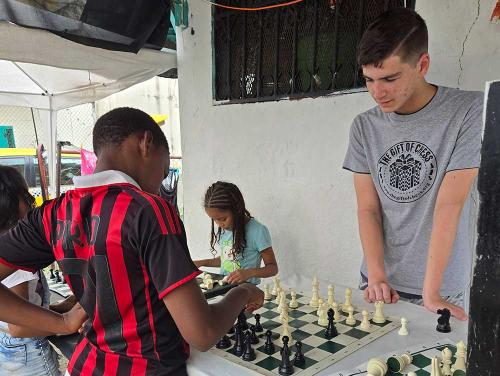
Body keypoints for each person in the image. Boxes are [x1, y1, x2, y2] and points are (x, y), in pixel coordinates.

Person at [0, 107, 263, 376]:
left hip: (86, 367)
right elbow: (203, 333)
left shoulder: (52, 214)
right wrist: (242, 293)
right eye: (162, 172)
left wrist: (63, 322)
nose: (159, 186)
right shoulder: (150, 210)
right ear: (146, 143)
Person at [343, 8, 482, 320]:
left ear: (422, 65)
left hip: (439, 287)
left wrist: (431, 293)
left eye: (390, 78)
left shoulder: (468, 110)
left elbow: (450, 204)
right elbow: (368, 207)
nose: (377, 92)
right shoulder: (364, 126)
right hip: (379, 284)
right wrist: (376, 277)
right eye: (369, 80)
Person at [0, 165, 84, 375]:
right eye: (25, 193)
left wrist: (62, 307)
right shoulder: (16, 256)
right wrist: (66, 323)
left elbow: (22, 309)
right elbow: (19, 327)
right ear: (13, 201)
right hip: (29, 360)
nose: (31, 201)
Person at [194, 182, 278, 285]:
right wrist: (203, 262)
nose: (219, 224)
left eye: (223, 219)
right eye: (215, 220)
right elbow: (227, 260)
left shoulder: (258, 231)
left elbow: (273, 268)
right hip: (225, 289)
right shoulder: (226, 230)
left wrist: (249, 273)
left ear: (237, 209)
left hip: (248, 293)